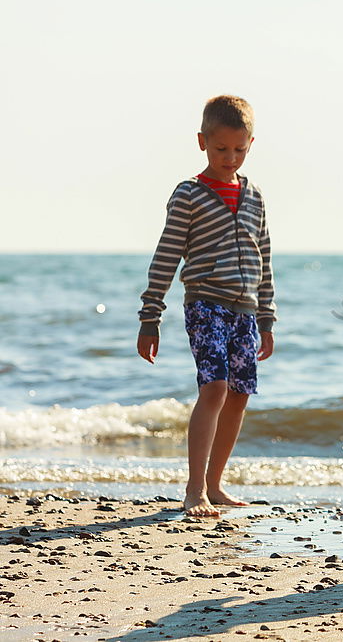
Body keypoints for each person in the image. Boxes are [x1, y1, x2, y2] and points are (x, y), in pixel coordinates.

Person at [137, 95, 277, 517]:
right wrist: (150, 317)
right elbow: (166, 256)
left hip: (246, 311)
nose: (230, 158)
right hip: (205, 304)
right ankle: (193, 489)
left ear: (251, 143)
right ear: (202, 142)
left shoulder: (255, 197)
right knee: (213, 387)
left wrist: (267, 318)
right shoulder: (189, 195)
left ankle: (215, 484)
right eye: (221, 149)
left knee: (238, 395)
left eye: (239, 149)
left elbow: (264, 258)